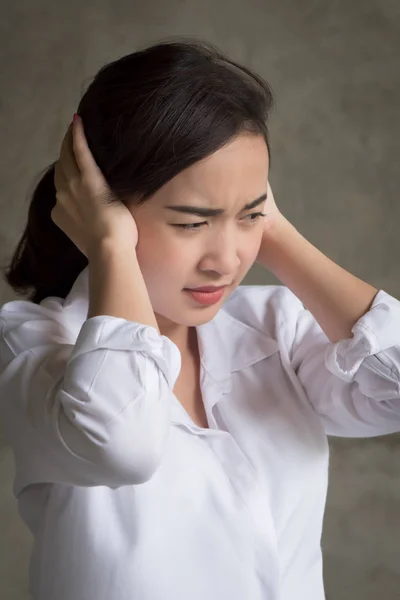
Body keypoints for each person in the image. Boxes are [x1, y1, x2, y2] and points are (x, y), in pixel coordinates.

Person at [0, 39, 399, 600]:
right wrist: (110, 247)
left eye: (250, 217)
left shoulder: (276, 326)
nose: (226, 259)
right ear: (99, 206)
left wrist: (274, 231)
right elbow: (122, 444)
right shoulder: (34, 347)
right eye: (192, 223)